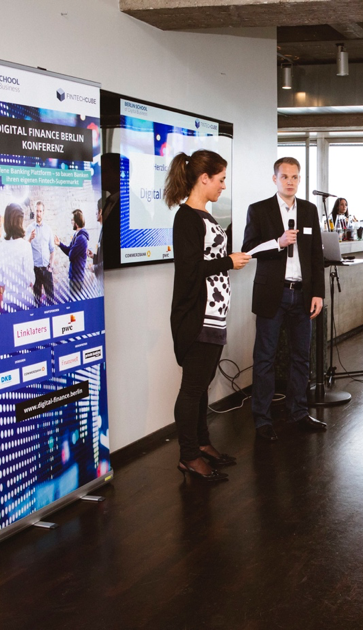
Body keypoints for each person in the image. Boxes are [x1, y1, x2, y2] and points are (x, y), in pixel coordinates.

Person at [167, 150, 250, 481]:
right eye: (220, 179)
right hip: (197, 319)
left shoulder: (204, 215)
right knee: (192, 389)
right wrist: (228, 261)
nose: (223, 186)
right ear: (204, 179)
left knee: (201, 387)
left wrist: (229, 257)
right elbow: (189, 270)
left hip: (214, 316)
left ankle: (202, 445)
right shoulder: (186, 217)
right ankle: (188, 456)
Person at [242, 157, 326, 442]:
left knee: (301, 357)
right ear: (274, 179)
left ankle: (298, 413)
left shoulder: (309, 210)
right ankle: (263, 420)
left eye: (295, 177)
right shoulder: (259, 210)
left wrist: (318, 293)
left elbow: (316, 254)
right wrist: (278, 243)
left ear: (299, 180)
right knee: (265, 358)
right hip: (272, 295)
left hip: (303, 294)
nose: (290, 181)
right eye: (284, 176)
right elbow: (249, 249)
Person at [0, 203, 35, 312]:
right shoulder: (25, 245)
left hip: (8, 301)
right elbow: (30, 280)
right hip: (25, 300)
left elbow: (1, 281)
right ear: (20, 222)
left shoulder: (1, 247)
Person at [27, 200, 56, 306]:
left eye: (40, 211)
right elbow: (25, 249)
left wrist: (51, 266)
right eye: (37, 211)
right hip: (35, 271)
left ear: (43, 212)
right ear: (34, 211)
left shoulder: (48, 229)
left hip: (47, 270)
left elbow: (52, 250)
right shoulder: (29, 229)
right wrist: (30, 238)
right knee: (37, 301)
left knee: (51, 300)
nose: (38, 214)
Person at [56, 209, 90, 297]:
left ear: (77, 222)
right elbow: (69, 251)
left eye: (72, 220)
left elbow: (71, 256)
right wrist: (60, 244)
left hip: (77, 279)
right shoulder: (76, 236)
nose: (71, 222)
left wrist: (71, 250)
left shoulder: (81, 238)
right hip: (73, 277)